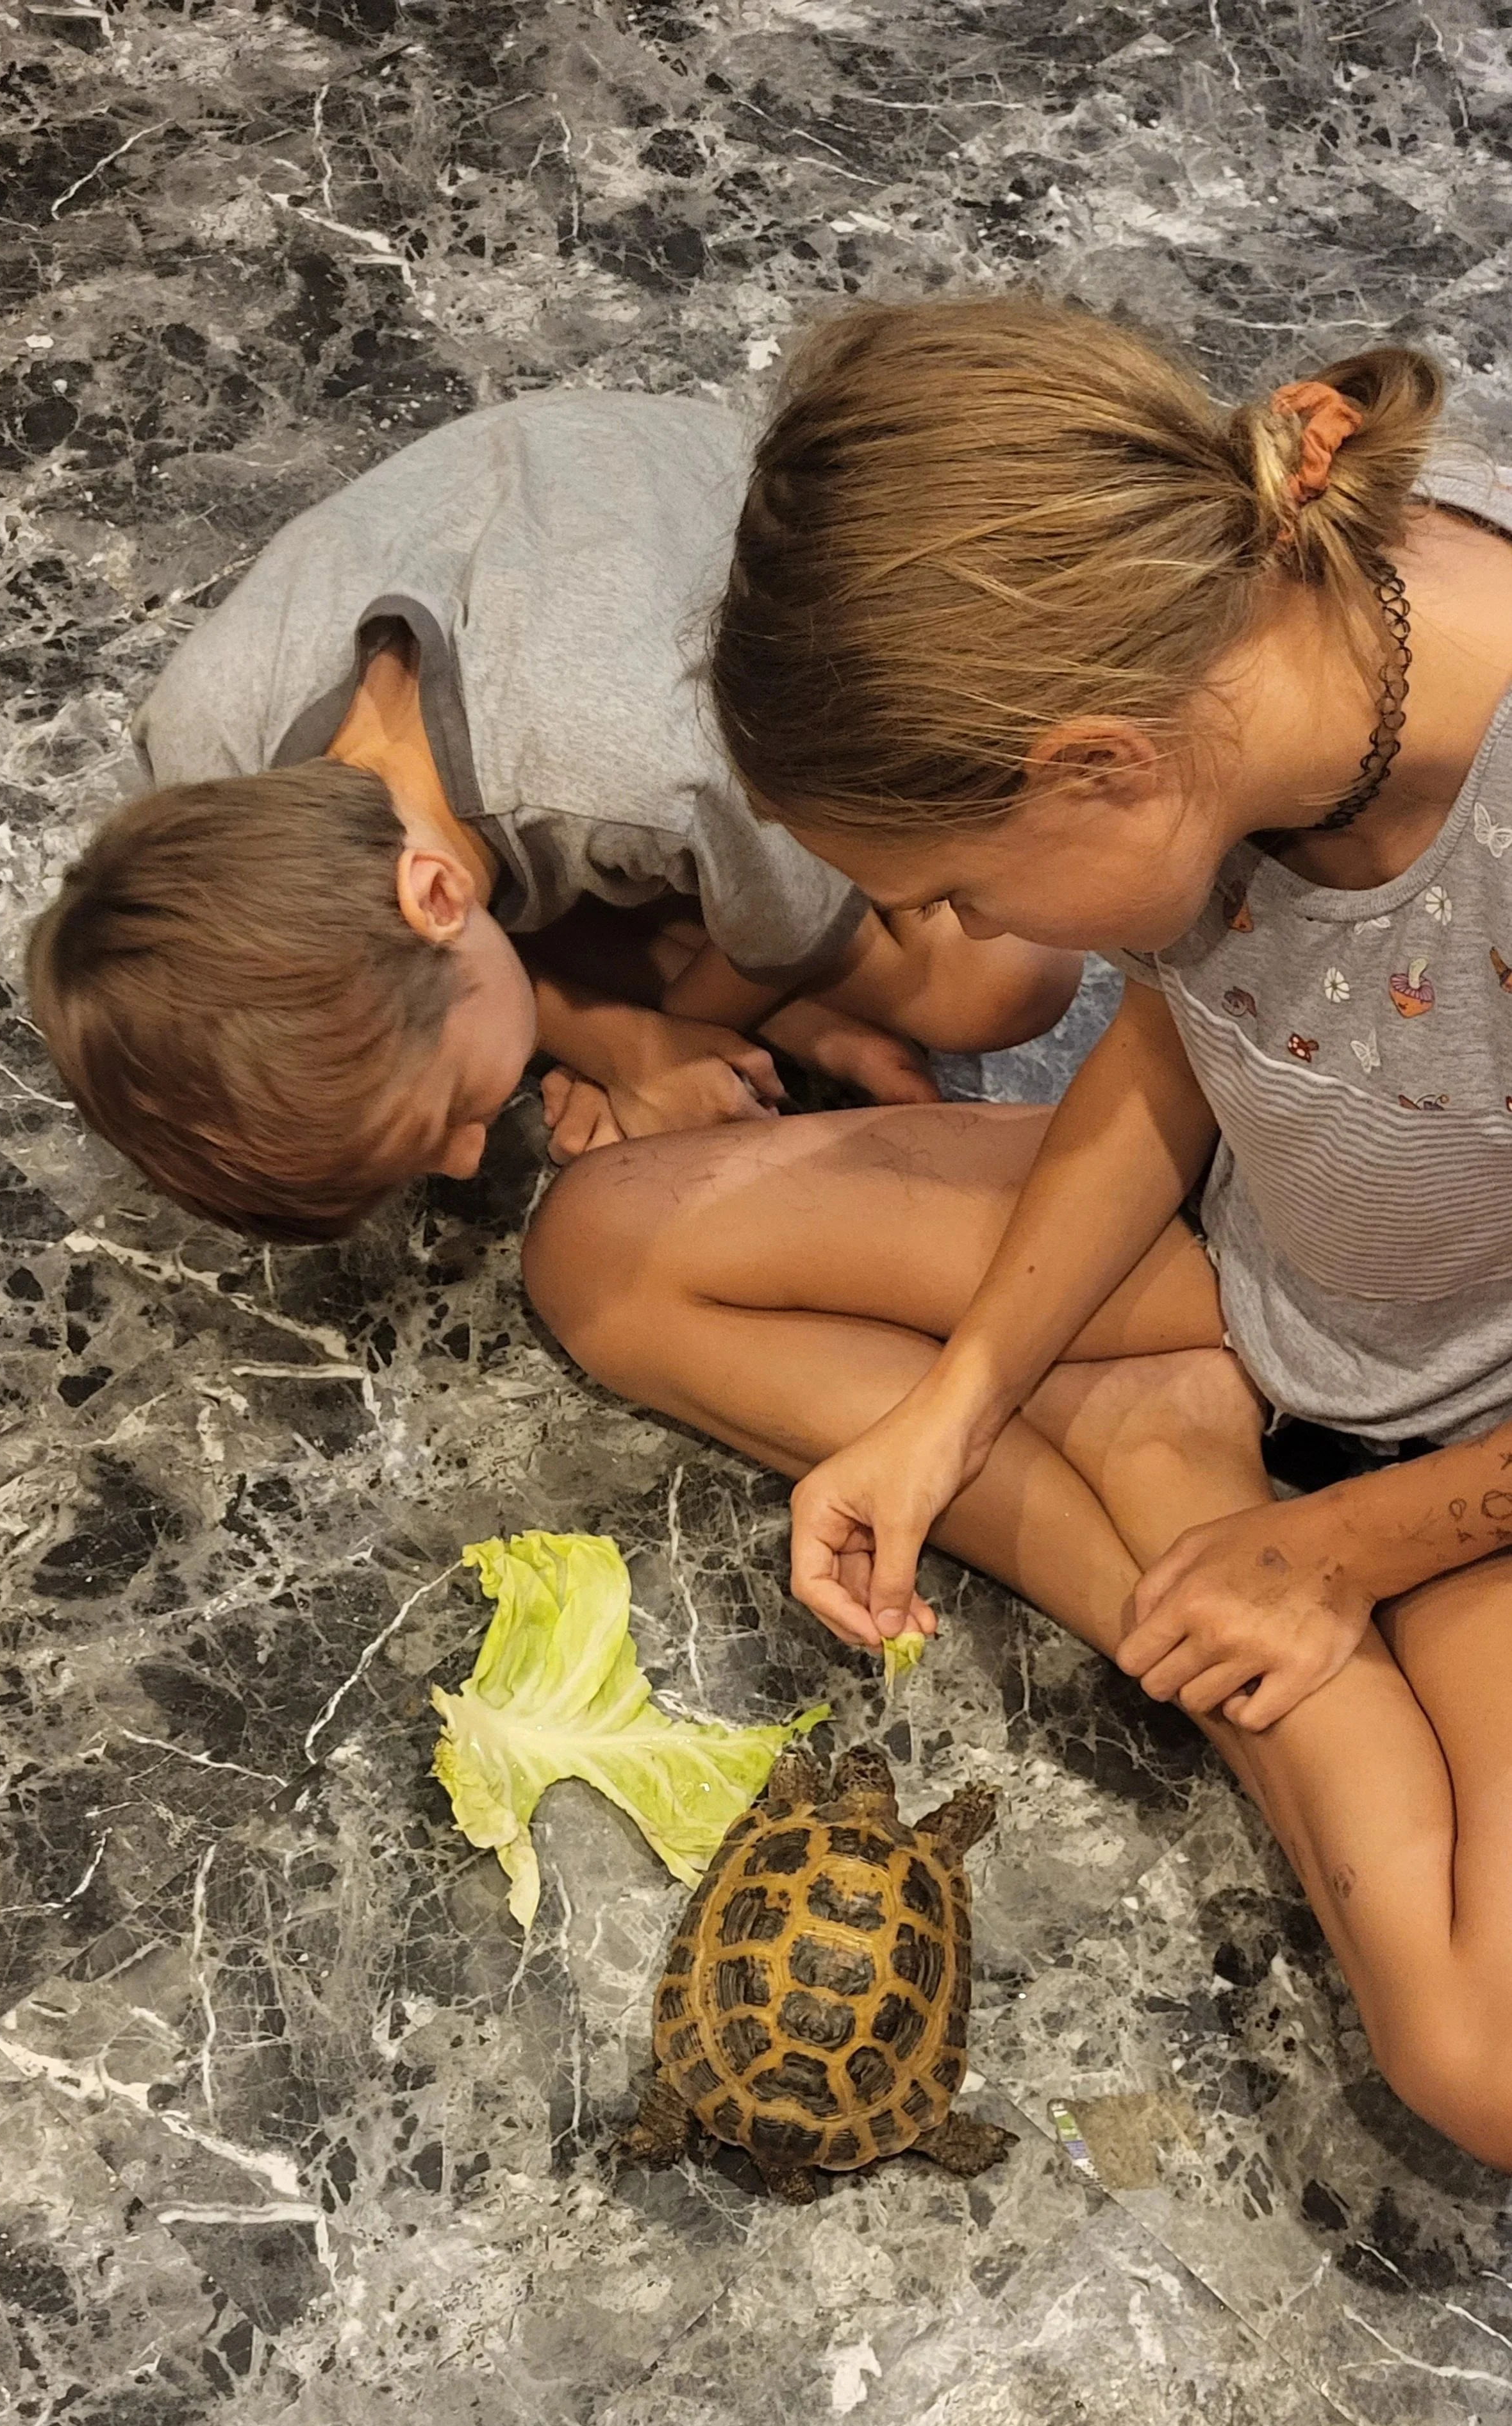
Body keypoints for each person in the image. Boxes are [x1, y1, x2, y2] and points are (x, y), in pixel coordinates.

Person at [523, 297, 1512, 2168]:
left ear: (1091, 764)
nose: (958, 930)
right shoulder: (1234, 630)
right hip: (1275, 1226)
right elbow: (1190, 1011)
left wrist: (1345, 1548)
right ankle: (1171, 1487)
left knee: (1482, 2066)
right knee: (608, 1253)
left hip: (1471, 1424)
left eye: (954, 888)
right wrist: (957, 1404)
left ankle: (1222, 1556)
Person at [26, 390, 1077, 1240]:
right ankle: (611, 975)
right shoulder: (205, 767)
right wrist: (627, 1048)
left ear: (434, 892)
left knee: (1006, 982)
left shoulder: (643, 769)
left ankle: (647, 972)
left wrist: (676, 1042)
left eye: (447, 1119)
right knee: (523, 966)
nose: (473, 1156)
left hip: (712, 514)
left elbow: (781, 935)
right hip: (531, 531)